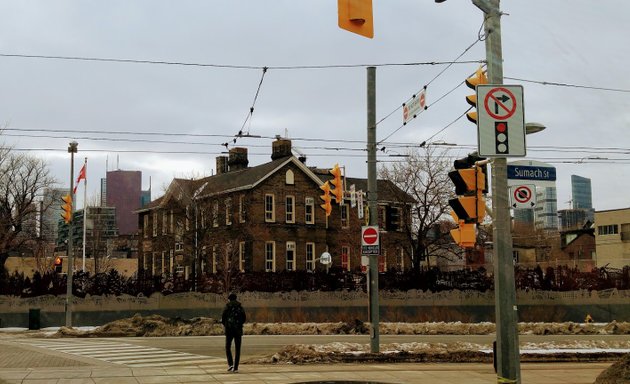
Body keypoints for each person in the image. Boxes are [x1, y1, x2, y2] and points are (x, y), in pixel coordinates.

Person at [221, 292, 246, 373]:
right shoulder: (240, 307)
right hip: (238, 330)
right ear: (236, 298)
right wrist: (239, 325)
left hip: (229, 330)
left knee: (228, 347)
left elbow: (223, 318)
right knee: (237, 349)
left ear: (229, 299)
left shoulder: (227, 307)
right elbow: (244, 318)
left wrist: (227, 325)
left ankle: (230, 364)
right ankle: (236, 367)